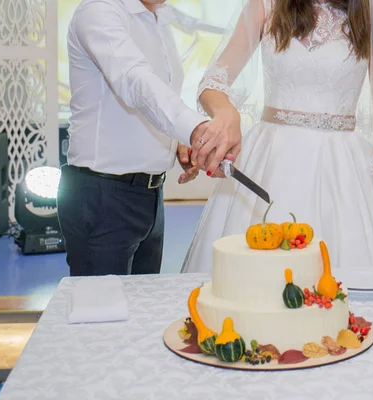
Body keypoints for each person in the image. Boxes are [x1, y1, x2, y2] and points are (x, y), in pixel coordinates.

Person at [182, 0, 373, 288]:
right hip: (270, 164)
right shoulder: (266, 5)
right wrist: (227, 114)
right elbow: (212, 83)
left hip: (345, 176)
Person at [57, 0, 241, 277]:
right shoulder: (99, 11)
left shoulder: (158, 17)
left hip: (150, 195)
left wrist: (177, 143)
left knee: (142, 309)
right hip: (103, 195)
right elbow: (136, 83)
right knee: (100, 314)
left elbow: (158, 96)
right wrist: (196, 129)